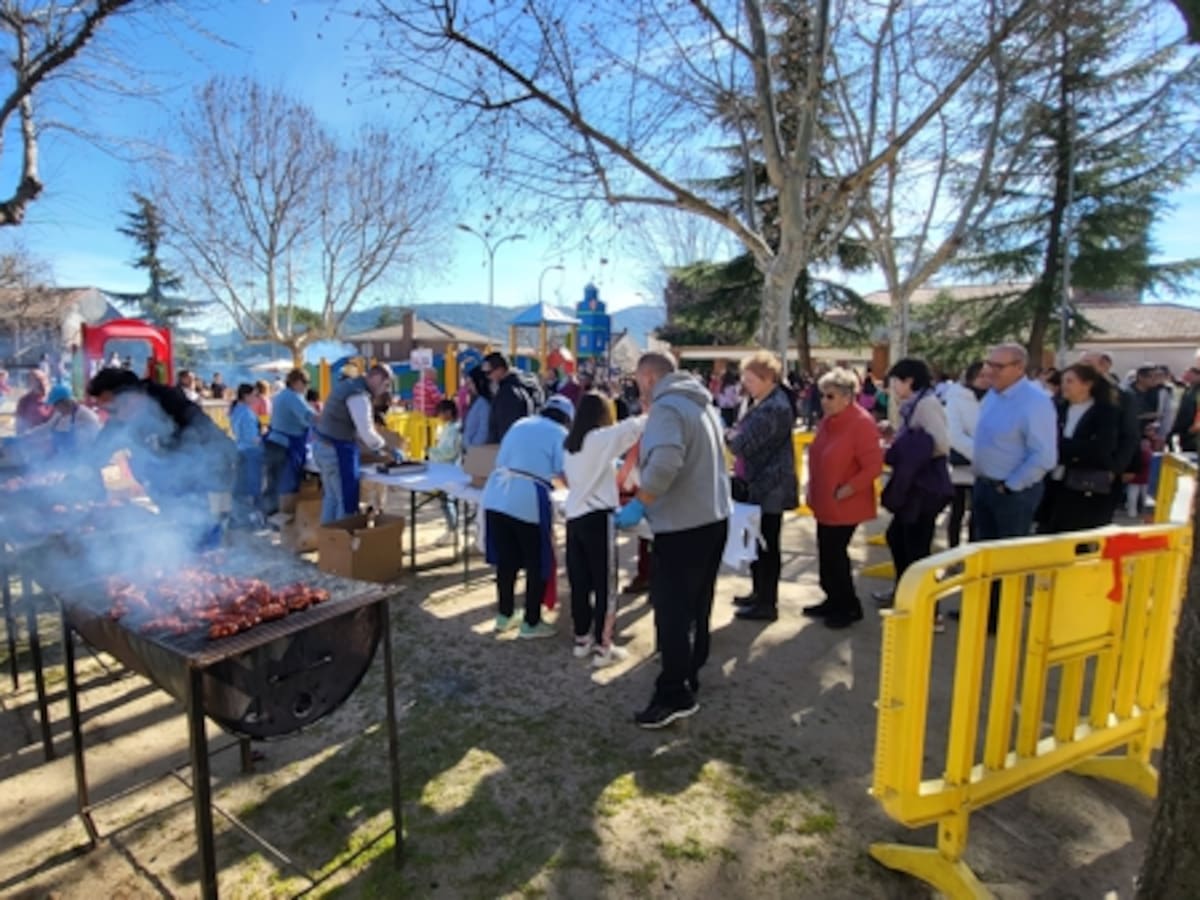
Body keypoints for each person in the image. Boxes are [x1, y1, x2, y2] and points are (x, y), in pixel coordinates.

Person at [614, 354, 730, 729]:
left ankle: (674, 694)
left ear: (649, 378)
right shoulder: (701, 404)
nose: (636, 388)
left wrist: (640, 503)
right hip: (712, 519)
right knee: (698, 605)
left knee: (672, 611)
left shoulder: (667, 408)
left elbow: (665, 463)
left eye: (637, 380)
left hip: (682, 526)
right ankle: (689, 672)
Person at [87, 368, 236, 547]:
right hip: (161, 487)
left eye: (112, 409)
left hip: (195, 484)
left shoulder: (170, 401)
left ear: (129, 396)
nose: (111, 416)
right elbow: (96, 453)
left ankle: (207, 554)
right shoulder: (121, 417)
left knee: (200, 529)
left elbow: (213, 437)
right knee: (174, 534)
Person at [481, 395, 575, 639]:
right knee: (537, 561)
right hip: (527, 500)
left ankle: (504, 615)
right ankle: (531, 622)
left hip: (497, 494)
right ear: (567, 419)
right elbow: (564, 473)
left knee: (507, 561)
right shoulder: (560, 433)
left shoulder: (521, 423)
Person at [563, 392, 646, 666]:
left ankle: (582, 639)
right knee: (605, 585)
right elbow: (632, 427)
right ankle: (604, 647)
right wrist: (653, 410)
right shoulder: (599, 439)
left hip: (575, 518)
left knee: (579, 582)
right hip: (598, 519)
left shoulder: (570, 444)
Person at [972, 344, 1058, 601]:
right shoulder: (993, 396)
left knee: (1007, 563)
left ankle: (1002, 614)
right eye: (989, 364)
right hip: (984, 485)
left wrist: (1011, 486)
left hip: (1012, 494)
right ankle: (983, 611)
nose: (990, 371)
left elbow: (1044, 456)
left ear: (1020, 368)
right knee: (983, 557)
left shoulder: (1035, 402)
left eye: (998, 366)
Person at [804, 368, 884, 629]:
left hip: (845, 502)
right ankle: (832, 599)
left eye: (830, 396)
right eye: (822, 395)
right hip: (825, 499)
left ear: (847, 397)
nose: (824, 401)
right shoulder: (828, 421)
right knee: (827, 553)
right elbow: (818, 456)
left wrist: (847, 489)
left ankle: (848, 606)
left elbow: (872, 466)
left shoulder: (861, 423)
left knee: (836, 555)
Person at [726, 350, 798, 623]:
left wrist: (729, 436)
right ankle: (759, 593)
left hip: (770, 486)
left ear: (768, 378)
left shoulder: (773, 407)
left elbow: (741, 444)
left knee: (767, 544)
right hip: (759, 483)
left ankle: (767, 602)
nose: (746, 385)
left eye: (751, 380)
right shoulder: (762, 402)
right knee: (757, 543)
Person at [877, 358, 951, 608]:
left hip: (924, 487)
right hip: (914, 486)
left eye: (895, 382)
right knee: (898, 538)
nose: (893, 389)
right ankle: (904, 591)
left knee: (916, 547)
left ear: (909, 381)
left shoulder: (927, 404)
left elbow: (940, 444)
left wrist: (906, 449)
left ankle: (927, 606)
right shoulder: (914, 404)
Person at [1037, 363, 1120, 533]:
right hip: (1054, 479)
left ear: (1087, 385)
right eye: (1063, 381)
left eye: (1070, 381)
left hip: (1084, 483)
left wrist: (1062, 446)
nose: (1064, 386)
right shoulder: (1057, 407)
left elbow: (1101, 448)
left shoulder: (1104, 412)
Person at [312, 363, 396, 524]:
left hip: (323, 446)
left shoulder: (348, 386)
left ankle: (327, 537)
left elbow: (357, 429)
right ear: (376, 377)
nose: (384, 390)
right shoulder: (358, 394)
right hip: (337, 451)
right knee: (345, 501)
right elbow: (365, 431)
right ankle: (341, 537)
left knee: (331, 498)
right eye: (385, 385)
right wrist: (386, 448)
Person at [945, 362, 989, 547]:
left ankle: (972, 550)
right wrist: (978, 453)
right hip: (962, 463)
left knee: (978, 514)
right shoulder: (956, 397)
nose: (985, 380)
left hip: (986, 467)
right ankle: (953, 550)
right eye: (981, 376)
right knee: (957, 511)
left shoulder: (996, 399)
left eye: (988, 376)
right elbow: (954, 433)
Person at [263, 368, 316, 517]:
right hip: (286, 447)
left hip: (273, 443)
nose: (306, 387)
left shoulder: (280, 396)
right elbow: (309, 417)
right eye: (305, 383)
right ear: (296, 382)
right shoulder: (294, 397)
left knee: (273, 483)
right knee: (287, 485)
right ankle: (285, 519)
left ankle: (269, 517)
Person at [22, 384, 103, 460]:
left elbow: (86, 445)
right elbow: (47, 427)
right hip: (62, 458)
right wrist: (28, 435)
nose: (55, 409)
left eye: (56, 405)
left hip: (81, 461)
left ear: (66, 402)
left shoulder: (86, 417)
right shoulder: (60, 414)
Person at [482, 352, 544, 443]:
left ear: (500, 370)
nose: (487, 377)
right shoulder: (527, 385)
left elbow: (507, 427)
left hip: (509, 445)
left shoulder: (508, 393)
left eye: (488, 372)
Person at [426, 399, 463, 546]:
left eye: (440, 412)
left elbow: (449, 452)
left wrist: (431, 451)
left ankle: (452, 530)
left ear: (448, 412)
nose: (439, 416)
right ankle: (452, 529)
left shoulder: (454, 429)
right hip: (445, 468)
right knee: (446, 501)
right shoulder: (449, 427)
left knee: (447, 501)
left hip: (449, 469)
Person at [229, 384, 264, 526]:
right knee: (253, 486)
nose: (256, 398)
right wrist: (265, 437)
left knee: (241, 485)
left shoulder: (236, 410)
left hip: (240, 450)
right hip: (251, 452)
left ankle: (238, 516)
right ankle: (254, 518)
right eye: (254, 395)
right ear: (246, 396)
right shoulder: (247, 413)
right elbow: (252, 438)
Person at [462, 366, 491, 450]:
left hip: (476, 450)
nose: (469, 387)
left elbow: (484, 430)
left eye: (471, 383)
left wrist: (472, 447)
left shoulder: (484, 404)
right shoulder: (478, 401)